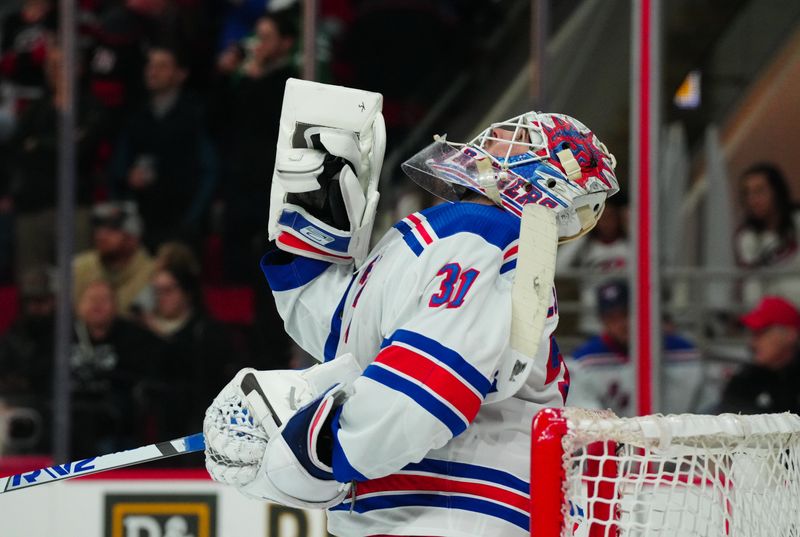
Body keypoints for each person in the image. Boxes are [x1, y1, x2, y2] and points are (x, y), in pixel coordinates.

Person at [202, 101, 619, 536]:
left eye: (519, 140)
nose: (495, 137)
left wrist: (312, 450)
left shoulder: (485, 235)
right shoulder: (449, 233)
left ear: (545, 178)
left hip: (456, 509)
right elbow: (352, 337)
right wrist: (309, 244)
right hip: (421, 509)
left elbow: (426, 390)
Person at [110, 45, 217, 252]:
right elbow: (119, 164)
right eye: (150, 65)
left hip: (181, 223)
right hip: (142, 222)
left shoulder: (195, 115)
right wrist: (127, 176)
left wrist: (191, 219)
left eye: (162, 66)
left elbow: (209, 170)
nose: (153, 71)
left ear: (180, 74)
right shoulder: (136, 115)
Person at [566, 279, 708, 417]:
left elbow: (706, 409)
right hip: (614, 439)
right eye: (611, 318)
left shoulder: (687, 354)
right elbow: (587, 421)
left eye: (626, 314)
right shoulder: (583, 362)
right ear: (602, 321)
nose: (621, 324)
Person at [716, 296, 800, 414]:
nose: (752, 343)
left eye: (761, 333)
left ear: (790, 335)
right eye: (753, 334)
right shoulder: (746, 380)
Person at [73, 201, 155, 318]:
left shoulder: (154, 274)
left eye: (113, 228)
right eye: (98, 226)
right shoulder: (78, 268)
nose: (101, 234)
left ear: (133, 238)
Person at [734, 163, 800, 307]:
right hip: (774, 311)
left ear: (777, 191)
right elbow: (752, 284)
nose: (753, 199)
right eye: (747, 193)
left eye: (759, 191)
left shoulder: (797, 221)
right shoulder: (747, 236)